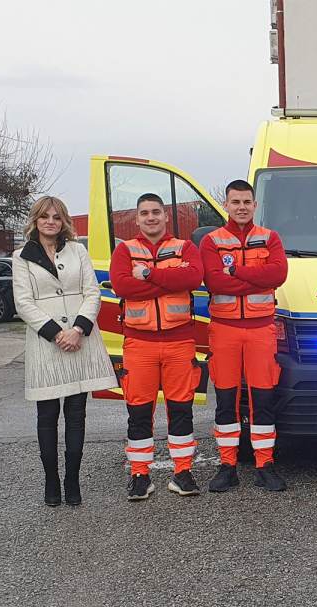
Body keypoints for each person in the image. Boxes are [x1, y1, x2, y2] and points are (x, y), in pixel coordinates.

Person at [12, 196, 117, 507]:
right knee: (47, 416)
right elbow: (23, 302)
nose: (50, 222)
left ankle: (72, 479)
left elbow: (92, 292)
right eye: (45, 217)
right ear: (36, 220)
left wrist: (77, 329)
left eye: (56, 217)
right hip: (46, 344)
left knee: (76, 415)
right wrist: (56, 333)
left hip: (80, 339)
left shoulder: (78, 251)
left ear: (63, 222)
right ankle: (51, 480)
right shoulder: (21, 256)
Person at [110, 193, 204, 501]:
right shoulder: (124, 250)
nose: (151, 217)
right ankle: (140, 475)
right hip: (139, 343)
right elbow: (123, 286)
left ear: (166, 217)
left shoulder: (185, 247)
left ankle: (183, 472)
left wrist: (150, 274)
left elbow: (193, 277)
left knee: (180, 410)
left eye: (156, 212)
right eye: (145, 213)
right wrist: (170, 279)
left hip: (179, 341)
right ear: (136, 219)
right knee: (138, 412)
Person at [200, 180, 289, 492]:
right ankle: (228, 465)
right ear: (226, 204)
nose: (241, 207)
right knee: (226, 399)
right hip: (224, 330)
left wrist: (235, 272)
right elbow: (214, 281)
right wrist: (256, 280)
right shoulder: (211, 241)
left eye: (246, 202)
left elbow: (278, 275)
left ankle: (265, 464)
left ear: (254, 205)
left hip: (261, 329)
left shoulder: (270, 238)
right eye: (235, 201)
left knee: (263, 399)